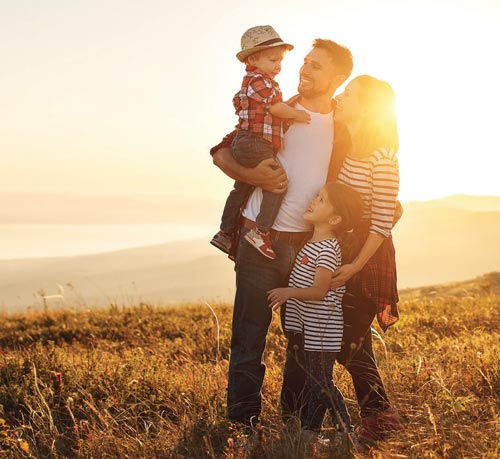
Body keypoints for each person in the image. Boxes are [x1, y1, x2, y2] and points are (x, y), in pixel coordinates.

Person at [210, 37, 355, 436]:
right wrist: (250, 174)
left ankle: (293, 423)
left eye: (316, 66)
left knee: (300, 341)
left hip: (309, 249)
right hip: (262, 240)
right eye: (304, 63)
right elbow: (222, 150)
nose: (304, 70)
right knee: (249, 338)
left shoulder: (343, 129)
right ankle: (243, 426)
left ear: (338, 78)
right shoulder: (279, 110)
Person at [329, 74, 402, 440]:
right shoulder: (344, 148)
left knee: (349, 340)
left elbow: (383, 222)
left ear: (367, 107)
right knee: (356, 339)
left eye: (349, 93)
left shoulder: (382, 158)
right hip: (344, 250)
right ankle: (377, 417)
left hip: (369, 258)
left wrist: (356, 265)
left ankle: (381, 416)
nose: (340, 97)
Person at [267, 182, 364, 447]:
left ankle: (346, 433)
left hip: (323, 330)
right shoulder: (312, 243)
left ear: (334, 218)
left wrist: (289, 292)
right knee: (315, 382)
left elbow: (319, 292)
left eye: (320, 199)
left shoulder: (327, 248)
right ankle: (310, 433)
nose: (312, 200)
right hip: (310, 329)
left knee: (322, 383)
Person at [210, 25, 310, 260]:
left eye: (280, 62)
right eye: (273, 60)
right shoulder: (260, 81)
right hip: (254, 142)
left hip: (248, 142)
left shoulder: (253, 81)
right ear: (253, 59)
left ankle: (225, 232)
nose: (278, 67)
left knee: (241, 187)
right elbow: (275, 108)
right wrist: (296, 115)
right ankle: (261, 231)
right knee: (277, 183)